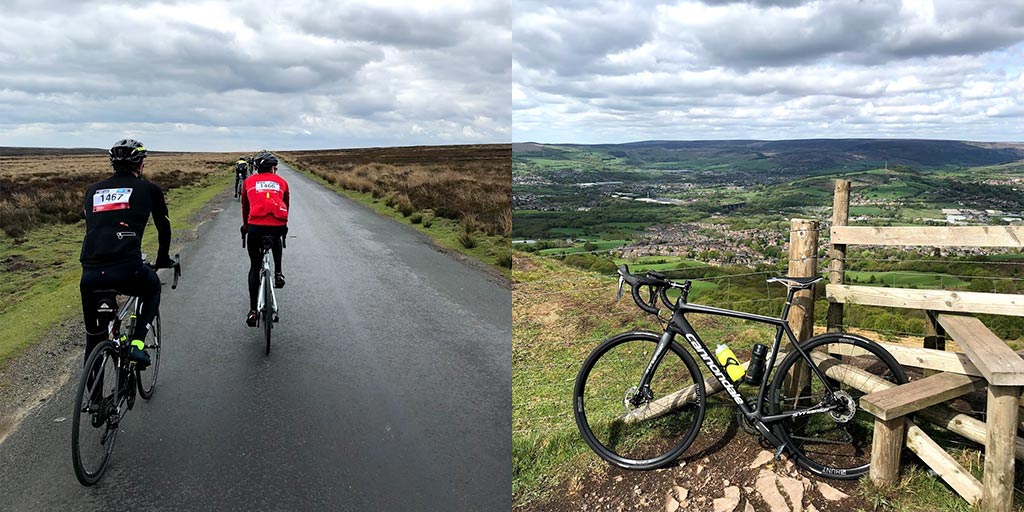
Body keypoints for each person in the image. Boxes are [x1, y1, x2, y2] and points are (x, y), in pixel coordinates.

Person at [80, 139, 173, 368]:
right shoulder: (149, 189)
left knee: (94, 338)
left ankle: (93, 400)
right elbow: (164, 227)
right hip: (127, 268)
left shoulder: (93, 191)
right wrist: (163, 258)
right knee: (152, 288)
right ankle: (137, 345)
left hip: (90, 272)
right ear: (140, 163)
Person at [240, 152, 290, 326]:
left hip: (255, 227)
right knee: (276, 236)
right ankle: (278, 273)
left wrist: (246, 227)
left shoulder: (248, 182)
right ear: (273, 168)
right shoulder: (282, 182)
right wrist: (284, 226)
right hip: (278, 224)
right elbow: (286, 204)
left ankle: (253, 311)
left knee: (255, 266)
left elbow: (245, 207)